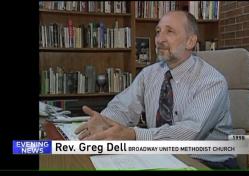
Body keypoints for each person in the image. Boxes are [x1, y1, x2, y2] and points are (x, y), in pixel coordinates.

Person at [75, 10, 238, 169]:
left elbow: (189, 133)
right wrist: (105, 122)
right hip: (160, 157)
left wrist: (134, 135)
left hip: (208, 162)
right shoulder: (149, 74)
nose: (160, 39)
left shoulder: (212, 81)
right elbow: (123, 107)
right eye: (158, 32)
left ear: (190, 41)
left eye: (170, 32)